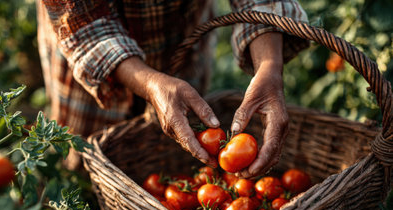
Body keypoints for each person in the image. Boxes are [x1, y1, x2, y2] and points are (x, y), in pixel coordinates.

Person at [37, 0, 308, 177]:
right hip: (92, 58)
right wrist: (151, 82)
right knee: (86, 171)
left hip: (182, 43)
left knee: (176, 159)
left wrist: (269, 65)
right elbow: (83, 24)